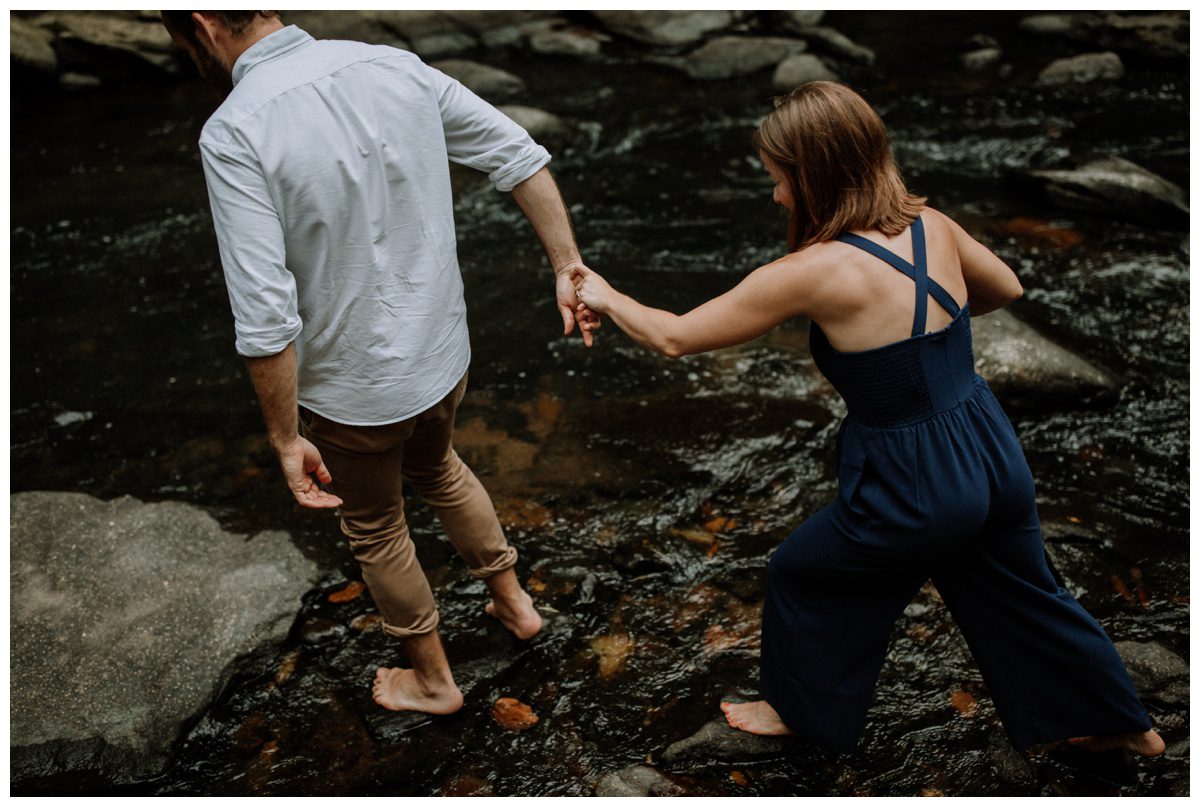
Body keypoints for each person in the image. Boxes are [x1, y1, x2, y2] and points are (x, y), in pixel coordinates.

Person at [571, 82, 1163, 756]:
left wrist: (601, 290)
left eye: (780, 181)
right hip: (988, 442)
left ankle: (797, 713)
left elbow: (674, 335)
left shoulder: (811, 271)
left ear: (815, 176)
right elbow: (1006, 288)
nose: (776, 196)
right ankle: (1129, 725)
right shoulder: (932, 224)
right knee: (1029, 591)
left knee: (803, 571)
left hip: (913, 476)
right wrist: (932, 354)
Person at [161, 11, 599, 716]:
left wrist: (282, 437)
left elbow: (265, 311)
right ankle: (516, 604)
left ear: (203, 23)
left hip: (354, 389)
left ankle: (432, 679)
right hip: (442, 353)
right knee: (439, 466)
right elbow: (519, 154)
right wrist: (567, 265)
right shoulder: (389, 65)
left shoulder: (235, 131)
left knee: (376, 525)